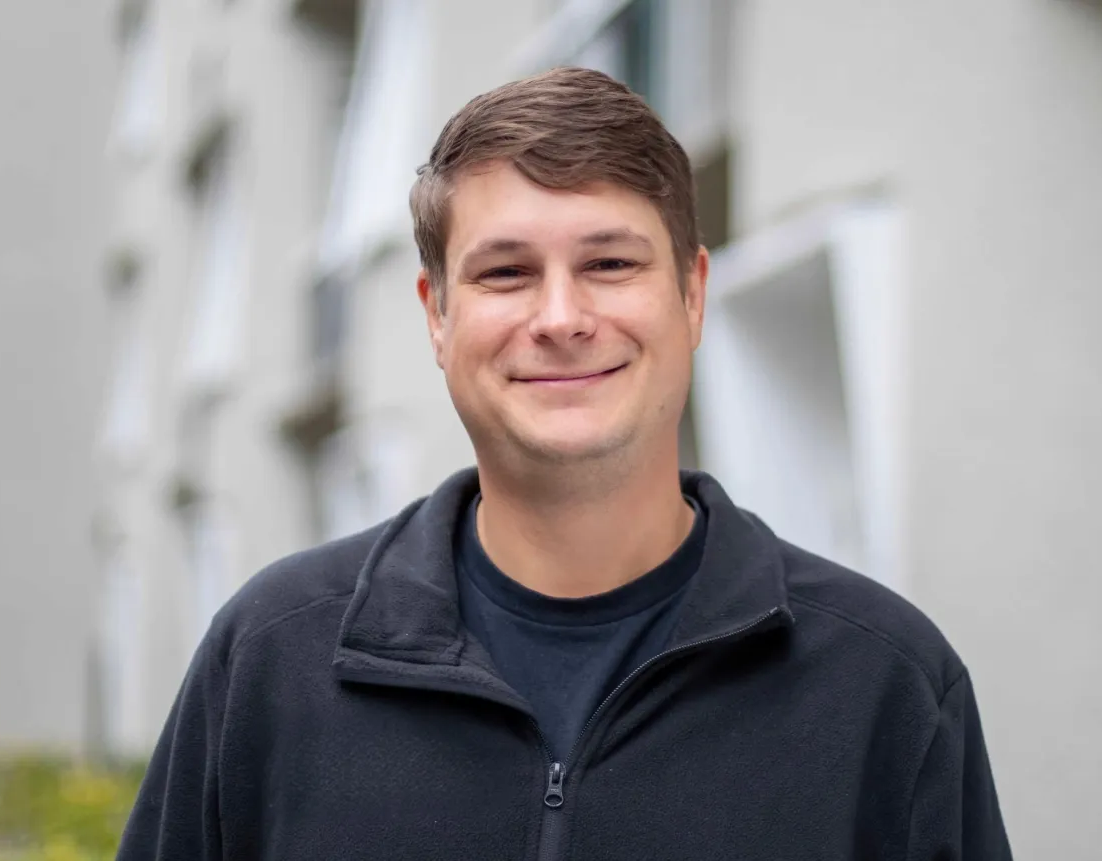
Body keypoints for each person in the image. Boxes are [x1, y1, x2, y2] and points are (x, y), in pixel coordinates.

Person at [116, 67, 1012, 860]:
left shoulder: (883, 685)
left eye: (610, 262)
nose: (560, 316)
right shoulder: (271, 659)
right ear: (436, 315)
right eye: (505, 273)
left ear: (692, 295)